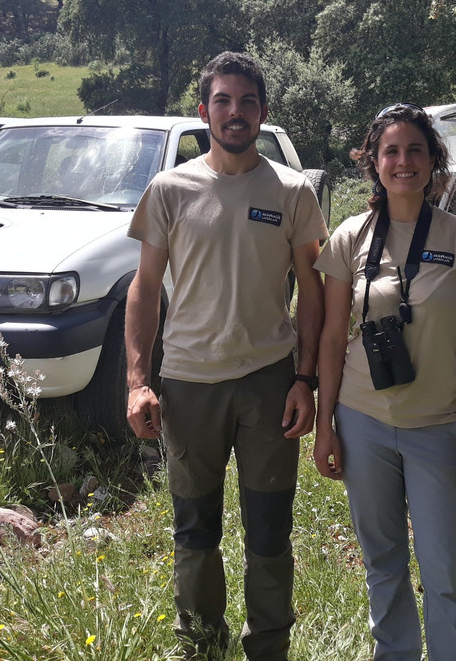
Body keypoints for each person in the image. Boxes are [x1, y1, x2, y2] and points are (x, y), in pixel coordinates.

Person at [125, 51, 327, 660]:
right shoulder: (169, 188)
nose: (235, 113)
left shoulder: (292, 192)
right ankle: (202, 646)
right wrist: (139, 381)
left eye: (246, 102)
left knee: (269, 529)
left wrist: (306, 380)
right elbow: (144, 288)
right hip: (188, 385)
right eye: (223, 101)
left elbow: (311, 291)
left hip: (269, 383)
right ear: (203, 109)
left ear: (263, 112)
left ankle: (269, 648)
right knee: (195, 528)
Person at [313, 102, 456, 661]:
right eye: (390, 151)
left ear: (433, 159)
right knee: (383, 560)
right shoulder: (350, 238)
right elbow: (328, 339)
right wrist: (325, 427)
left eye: (415, 149)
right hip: (362, 420)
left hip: (436, 425)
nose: (403, 162)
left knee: (445, 568)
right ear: (373, 162)